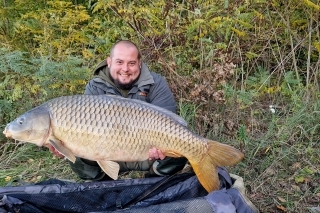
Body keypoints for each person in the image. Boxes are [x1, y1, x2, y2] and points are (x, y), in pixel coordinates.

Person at [51, 40, 187, 181]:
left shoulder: (156, 83)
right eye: (119, 62)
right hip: (107, 154)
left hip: (145, 153)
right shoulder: (95, 87)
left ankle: (152, 181)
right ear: (109, 62)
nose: (125, 69)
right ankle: (104, 184)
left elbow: (170, 124)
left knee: (180, 148)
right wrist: (64, 149)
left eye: (131, 63)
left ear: (140, 63)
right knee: (77, 156)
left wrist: (162, 147)